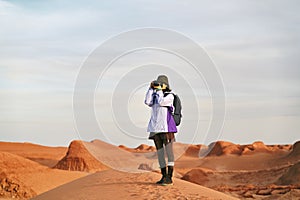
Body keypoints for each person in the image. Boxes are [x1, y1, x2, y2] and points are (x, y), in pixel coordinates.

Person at [144, 75, 177, 185]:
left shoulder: (170, 96)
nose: (158, 86)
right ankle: (163, 176)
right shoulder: (154, 95)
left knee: (169, 153)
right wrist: (151, 88)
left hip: (166, 128)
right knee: (160, 153)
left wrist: (158, 91)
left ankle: (170, 177)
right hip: (155, 128)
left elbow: (162, 102)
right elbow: (147, 101)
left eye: (159, 84)